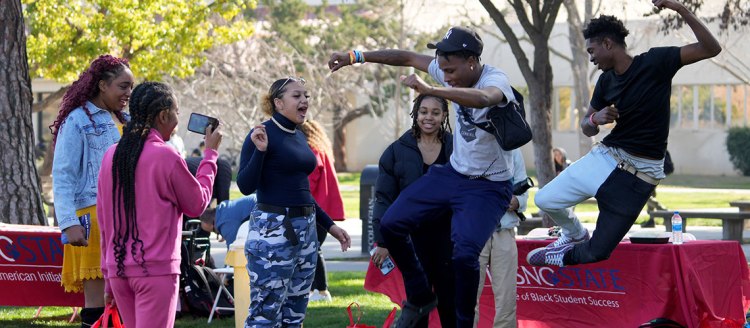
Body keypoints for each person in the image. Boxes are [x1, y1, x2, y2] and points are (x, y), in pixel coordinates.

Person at [329, 26, 515, 327]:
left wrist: (432, 90)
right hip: (454, 174)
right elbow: (405, 57)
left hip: (488, 186)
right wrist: (355, 56)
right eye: (442, 70)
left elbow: (482, 98)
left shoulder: (496, 80)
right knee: (390, 225)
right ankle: (419, 294)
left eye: (451, 71)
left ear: (471, 61)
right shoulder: (450, 70)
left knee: (465, 256)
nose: (446, 75)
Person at [528, 0, 721, 268]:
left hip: (640, 177)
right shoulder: (605, 81)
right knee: (544, 199)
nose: (591, 57)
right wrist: (595, 118)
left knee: (598, 252)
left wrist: (680, 9)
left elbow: (711, 48)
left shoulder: (656, 62)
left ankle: (563, 256)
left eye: (592, 50)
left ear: (608, 44)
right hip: (607, 158)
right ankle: (574, 233)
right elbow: (586, 125)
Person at [96, 81, 223, 328]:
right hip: (155, 270)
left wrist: (108, 277)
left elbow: (105, 221)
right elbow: (196, 204)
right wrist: (210, 156)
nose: (177, 119)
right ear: (163, 115)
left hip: (119, 269)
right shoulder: (165, 155)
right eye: (175, 112)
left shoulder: (111, 155)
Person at [236, 77, 351, 326]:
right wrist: (260, 151)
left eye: (306, 96)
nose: (305, 101)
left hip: (305, 230)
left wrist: (330, 226)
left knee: (295, 313)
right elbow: (245, 186)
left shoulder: (298, 135)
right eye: (297, 96)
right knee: (265, 313)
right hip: (273, 232)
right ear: (278, 102)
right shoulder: (261, 134)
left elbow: (302, 192)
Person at [50, 54, 134, 327]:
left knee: (122, 300)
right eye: (123, 86)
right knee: (98, 302)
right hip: (92, 219)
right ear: (102, 85)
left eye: (131, 87)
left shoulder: (127, 120)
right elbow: (63, 176)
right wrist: (68, 223)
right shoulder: (76, 121)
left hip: (126, 218)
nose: (128, 93)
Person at [372, 94, 455, 327]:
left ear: (444, 116)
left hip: (449, 237)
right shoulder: (396, 151)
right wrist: (383, 242)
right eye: (424, 111)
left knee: (452, 302)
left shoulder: (458, 149)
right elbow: (383, 198)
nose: (429, 117)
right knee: (418, 302)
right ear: (415, 114)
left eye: (435, 112)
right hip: (411, 240)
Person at [473, 149, 529, 328]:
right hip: (473, 233)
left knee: (506, 300)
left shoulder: (514, 151)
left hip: (504, 231)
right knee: (466, 298)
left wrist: (517, 201)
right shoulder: (468, 145)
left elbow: (523, 193)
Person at [299, 120, 346, 303]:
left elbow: (309, 180)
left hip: (316, 208)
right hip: (324, 206)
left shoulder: (312, 151)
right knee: (312, 249)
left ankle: (322, 290)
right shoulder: (321, 149)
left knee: (314, 249)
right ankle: (313, 289)